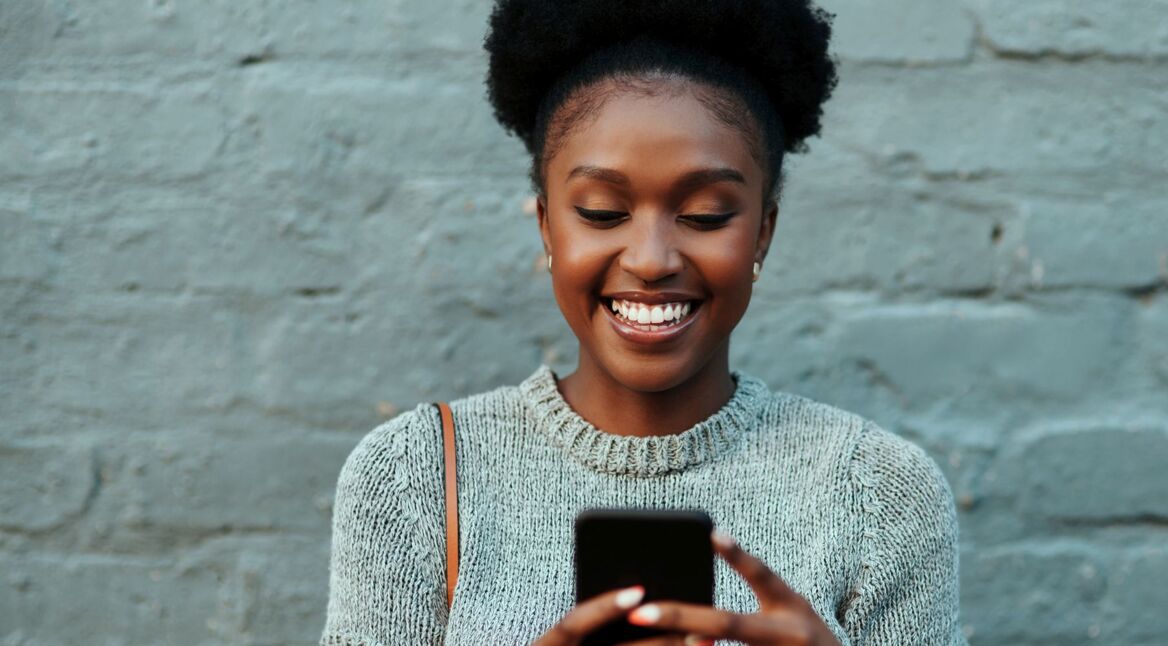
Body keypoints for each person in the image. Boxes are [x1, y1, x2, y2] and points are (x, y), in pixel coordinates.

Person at [320, 0, 964, 644]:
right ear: (547, 226)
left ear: (763, 233)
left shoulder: (880, 490)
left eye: (706, 215)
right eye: (602, 212)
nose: (651, 261)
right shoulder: (413, 476)